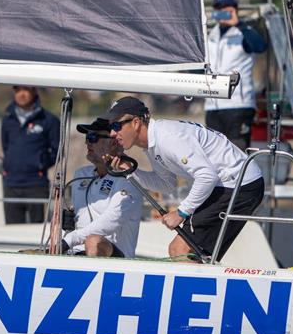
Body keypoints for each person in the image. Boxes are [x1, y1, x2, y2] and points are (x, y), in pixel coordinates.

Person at [104, 96, 264, 261]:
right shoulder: (153, 143)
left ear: (136, 123)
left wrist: (181, 212)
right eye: (110, 127)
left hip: (239, 184)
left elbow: (207, 176)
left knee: (180, 249)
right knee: (193, 254)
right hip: (229, 184)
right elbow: (166, 184)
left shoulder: (168, 138)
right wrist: (130, 171)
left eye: (116, 126)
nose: (112, 133)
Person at [60, 119, 142, 258]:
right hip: (77, 251)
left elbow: (112, 220)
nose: (87, 143)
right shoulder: (81, 175)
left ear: (113, 143)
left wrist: (71, 239)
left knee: (94, 241)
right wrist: (70, 223)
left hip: (116, 256)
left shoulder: (129, 179)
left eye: (93, 138)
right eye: (87, 138)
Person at [205, 0, 267, 151]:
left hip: (238, 104)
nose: (222, 11)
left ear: (235, 10)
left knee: (237, 152)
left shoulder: (245, 31)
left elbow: (260, 46)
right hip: (213, 105)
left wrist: (237, 24)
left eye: (226, 8)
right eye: (218, 8)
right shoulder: (212, 34)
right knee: (214, 153)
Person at [1, 85, 60, 224]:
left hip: (36, 184)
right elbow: (6, 146)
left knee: (38, 230)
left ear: (34, 91)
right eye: (17, 90)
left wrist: (40, 164)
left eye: (25, 90)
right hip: (11, 184)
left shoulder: (49, 120)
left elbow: (57, 151)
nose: (21, 94)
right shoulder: (7, 119)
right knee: (11, 230)